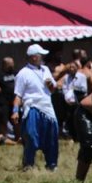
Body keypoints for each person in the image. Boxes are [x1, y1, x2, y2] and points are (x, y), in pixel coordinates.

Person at [12, 44, 59, 172]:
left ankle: (52, 164)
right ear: (33, 57)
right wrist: (15, 111)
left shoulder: (45, 70)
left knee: (52, 136)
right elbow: (18, 95)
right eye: (40, 55)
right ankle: (28, 165)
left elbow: (53, 89)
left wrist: (51, 85)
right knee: (31, 136)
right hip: (32, 107)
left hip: (47, 107)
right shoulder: (23, 73)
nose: (43, 57)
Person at [0, 57, 17, 140]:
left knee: (15, 120)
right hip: (3, 101)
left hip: (13, 101)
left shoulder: (15, 73)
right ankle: (3, 137)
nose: (12, 65)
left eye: (13, 63)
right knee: (3, 120)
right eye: (10, 64)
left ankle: (18, 137)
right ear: (5, 64)